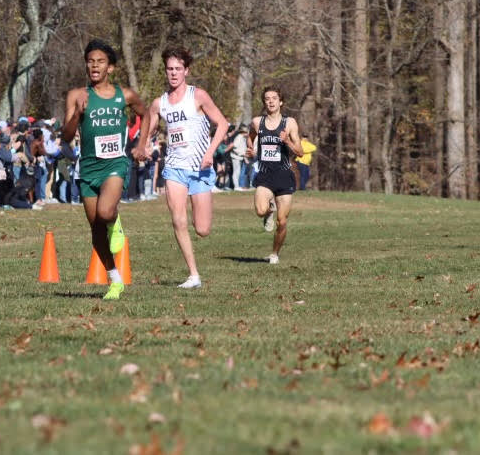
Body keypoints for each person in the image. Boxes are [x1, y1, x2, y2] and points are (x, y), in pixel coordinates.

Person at [62, 39, 150, 300]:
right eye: (90, 61)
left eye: (100, 61)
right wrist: (78, 114)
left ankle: (116, 222)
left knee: (106, 211)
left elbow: (146, 115)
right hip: (88, 167)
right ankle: (115, 280)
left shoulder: (126, 96)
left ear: (110, 68)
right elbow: (65, 136)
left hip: (115, 163)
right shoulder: (77, 95)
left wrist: (142, 144)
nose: (94, 66)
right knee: (97, 233)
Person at [145, 47, 229, 289]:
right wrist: (146, 146)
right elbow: (148, 131)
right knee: (178, 220)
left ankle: (199, 217)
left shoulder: (198, 96)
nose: (173, 73)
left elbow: (222, 124)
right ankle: (193, 275)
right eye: (169, 69)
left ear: (186, 71)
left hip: (200, 169)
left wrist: (211, 152)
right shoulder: (159, 104)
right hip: (174, 167)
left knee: (202, 229)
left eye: (178, 69)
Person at [246, 88, 304, 265]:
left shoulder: (290, 123)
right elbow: (250, 137)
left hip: (284, 175)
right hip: (264, 175)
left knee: (282, 222)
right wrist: (252, 151)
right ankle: (268, 212)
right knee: (260, 211)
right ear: (264, 103)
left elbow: (300, 152)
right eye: (267, 99)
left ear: (281, 102)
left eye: (274, 98)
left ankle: (274, 254)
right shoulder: (257, 122)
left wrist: (287, 141)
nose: (270, 101)